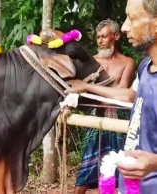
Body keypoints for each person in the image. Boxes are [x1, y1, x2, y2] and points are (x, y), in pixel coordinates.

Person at [66, 0, 157, 192]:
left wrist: (154, 163)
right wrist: (83, 88)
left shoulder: (129, 63)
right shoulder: (145, 67)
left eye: (131, 18)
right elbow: (129, 95)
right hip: (132, 185)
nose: (124, 27)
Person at [73, 19, 136, 194]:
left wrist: (94, 90)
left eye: (104, 36)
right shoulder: (91, 62)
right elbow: (79, 89)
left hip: (119, 117)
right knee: (87, 163)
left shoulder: (127, 62)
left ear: (116, 36)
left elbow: (123, 93)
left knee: (118, 162)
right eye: (98, 37)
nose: (100, 40)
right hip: (96, 115)